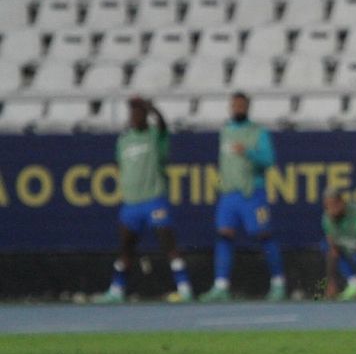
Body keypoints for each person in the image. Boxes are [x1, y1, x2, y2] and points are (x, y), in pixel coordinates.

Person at [98, 97, 192, 303]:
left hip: (153, 200)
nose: (135, 117)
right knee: (126, 246)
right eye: (132, 113)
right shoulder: (124, 140)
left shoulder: (154, 137)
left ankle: (184, 288)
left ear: (146, 116)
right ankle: (116, 290)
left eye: (139, 113)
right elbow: (118, 164)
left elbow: (164, 127)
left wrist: (153, 108)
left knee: (168, 243)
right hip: (131, 203)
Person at [199, 92, 286, 302]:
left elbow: (269, 160)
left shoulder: (258, 132)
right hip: (229, 195)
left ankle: (278, 283)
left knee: (263, 235)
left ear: (247, 107)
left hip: (252, 192)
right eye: (234, 105)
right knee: (224, 235)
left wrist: (248, 152)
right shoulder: (225, 131)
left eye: (241, 105)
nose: (238, 108)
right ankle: (221, 286)